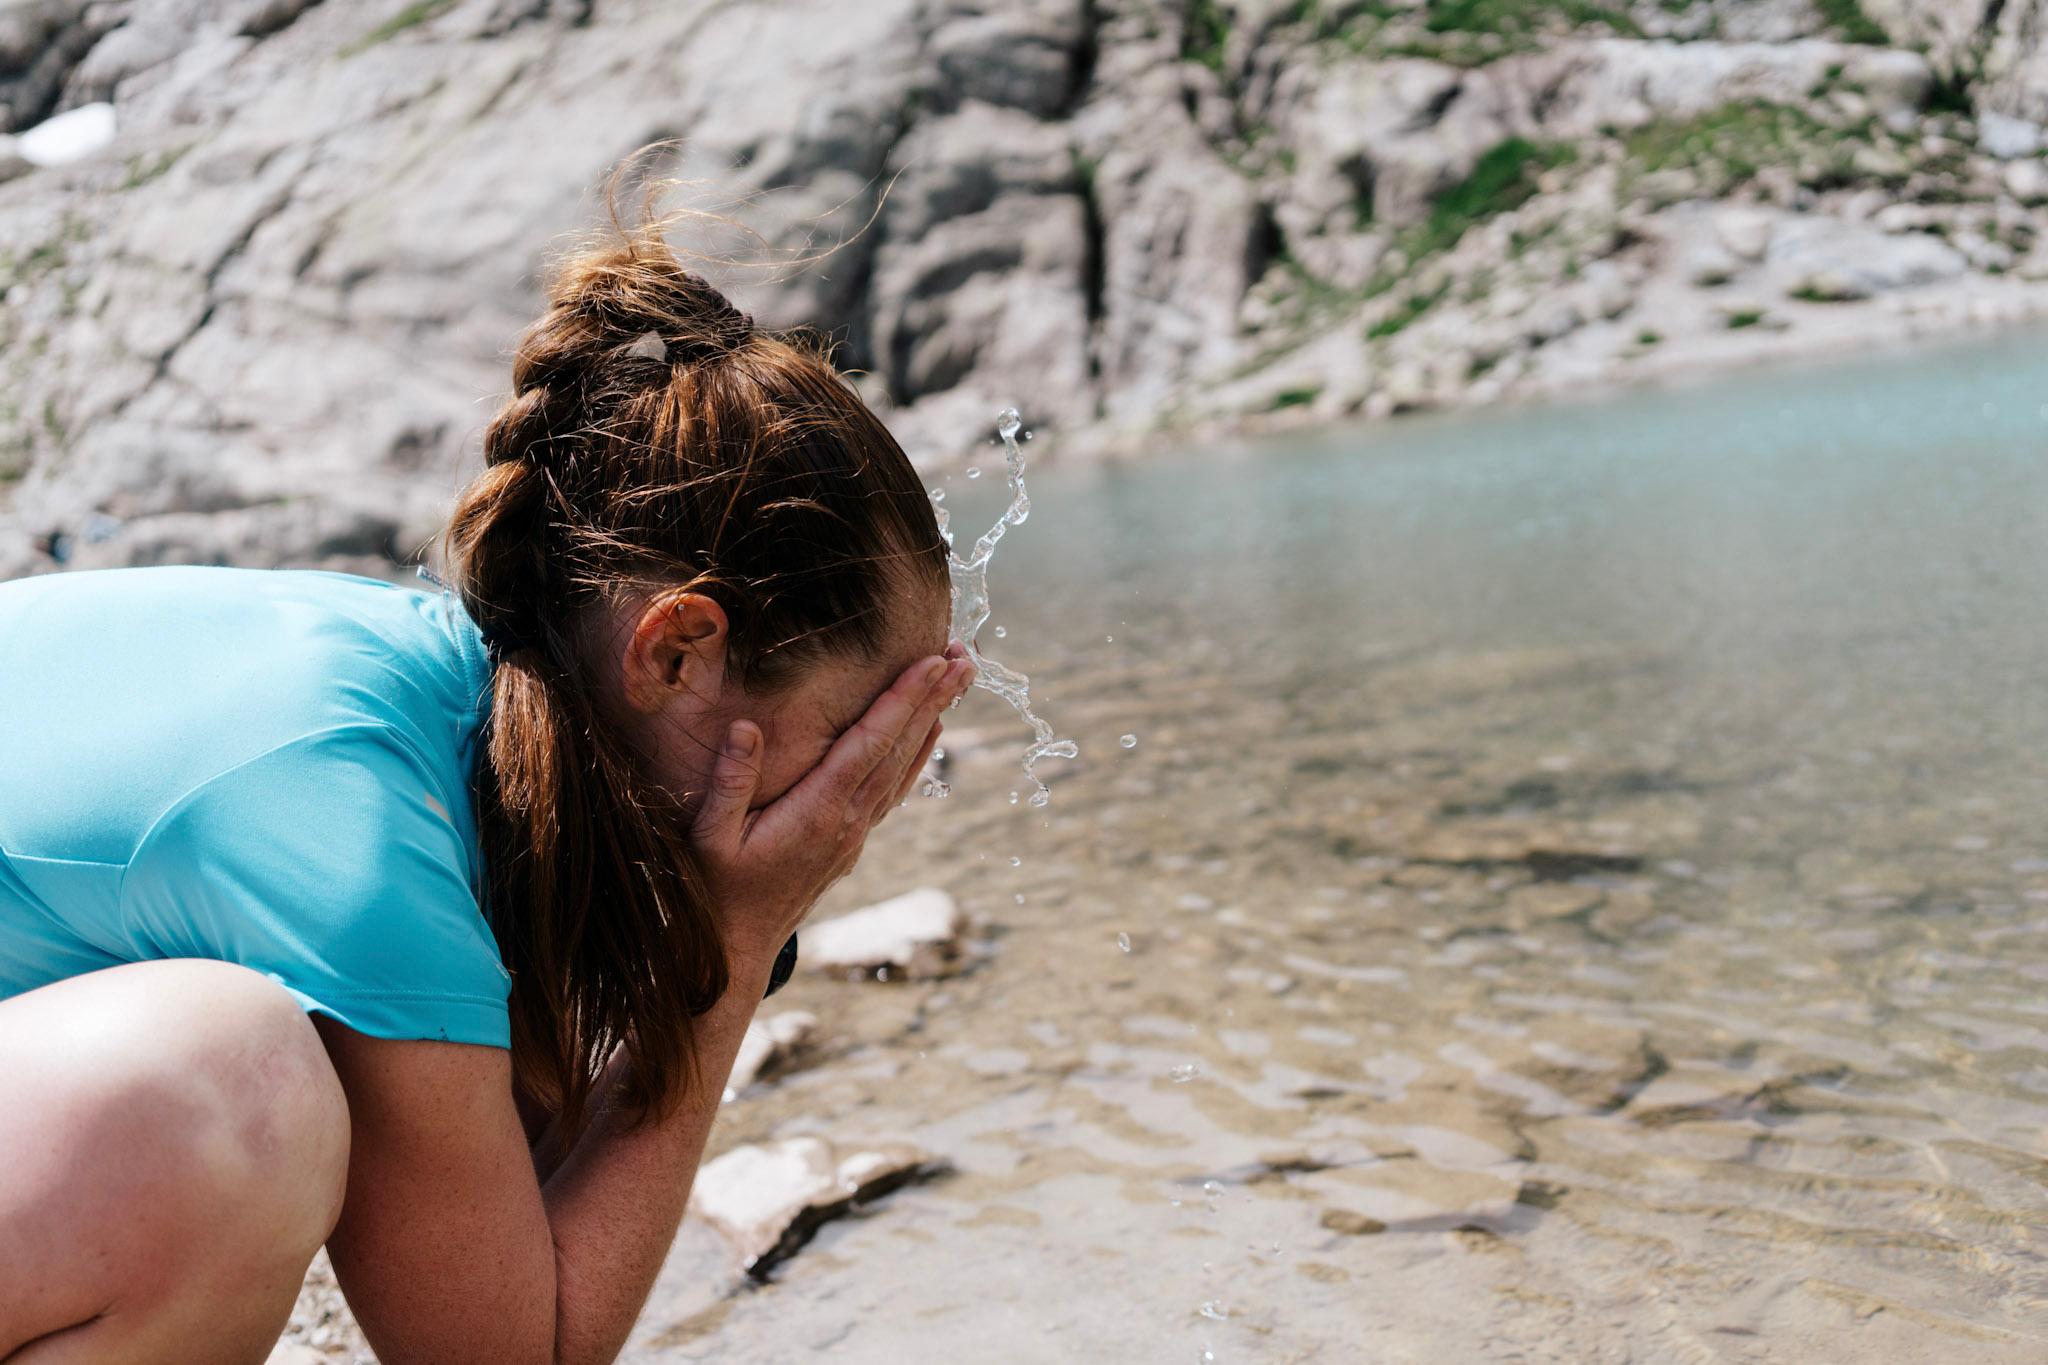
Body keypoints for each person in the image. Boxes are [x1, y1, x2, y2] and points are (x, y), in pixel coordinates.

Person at [0, 200, 973, 1363]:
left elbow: (500, 1210)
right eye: (853, 734)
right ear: (673, 651)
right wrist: (738, 945)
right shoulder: (354, 821)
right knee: (235, 1085)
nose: (857, 804)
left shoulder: (443, 715)